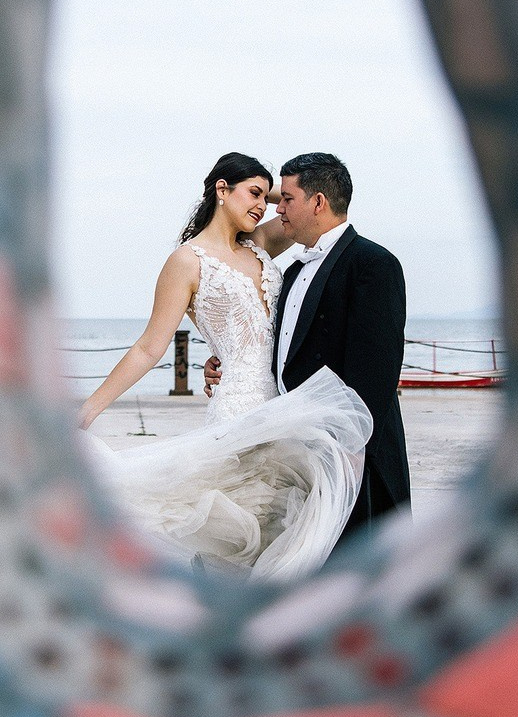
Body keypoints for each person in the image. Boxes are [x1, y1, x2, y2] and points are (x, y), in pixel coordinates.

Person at [76, 153, 372, 579]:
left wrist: (258, 187)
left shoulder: (261, 243)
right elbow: (148, 348)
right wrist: (89, 409)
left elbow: (302, 198)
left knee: (286, 531)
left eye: (267, 197)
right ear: (221, 189)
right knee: (240, 532)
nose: (264, 206)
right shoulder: (187, 262)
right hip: (238, 410)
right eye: (254, 194)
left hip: (287, 410)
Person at [206, 152, 411, 553]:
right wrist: (228, 361)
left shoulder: (373, 264)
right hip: (299, 448)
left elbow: (376, 372)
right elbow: (281, 348)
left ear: (318, 202)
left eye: (286, 199)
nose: (277, 209)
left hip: (354, 456)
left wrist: (349, 453)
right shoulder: (294, 270)